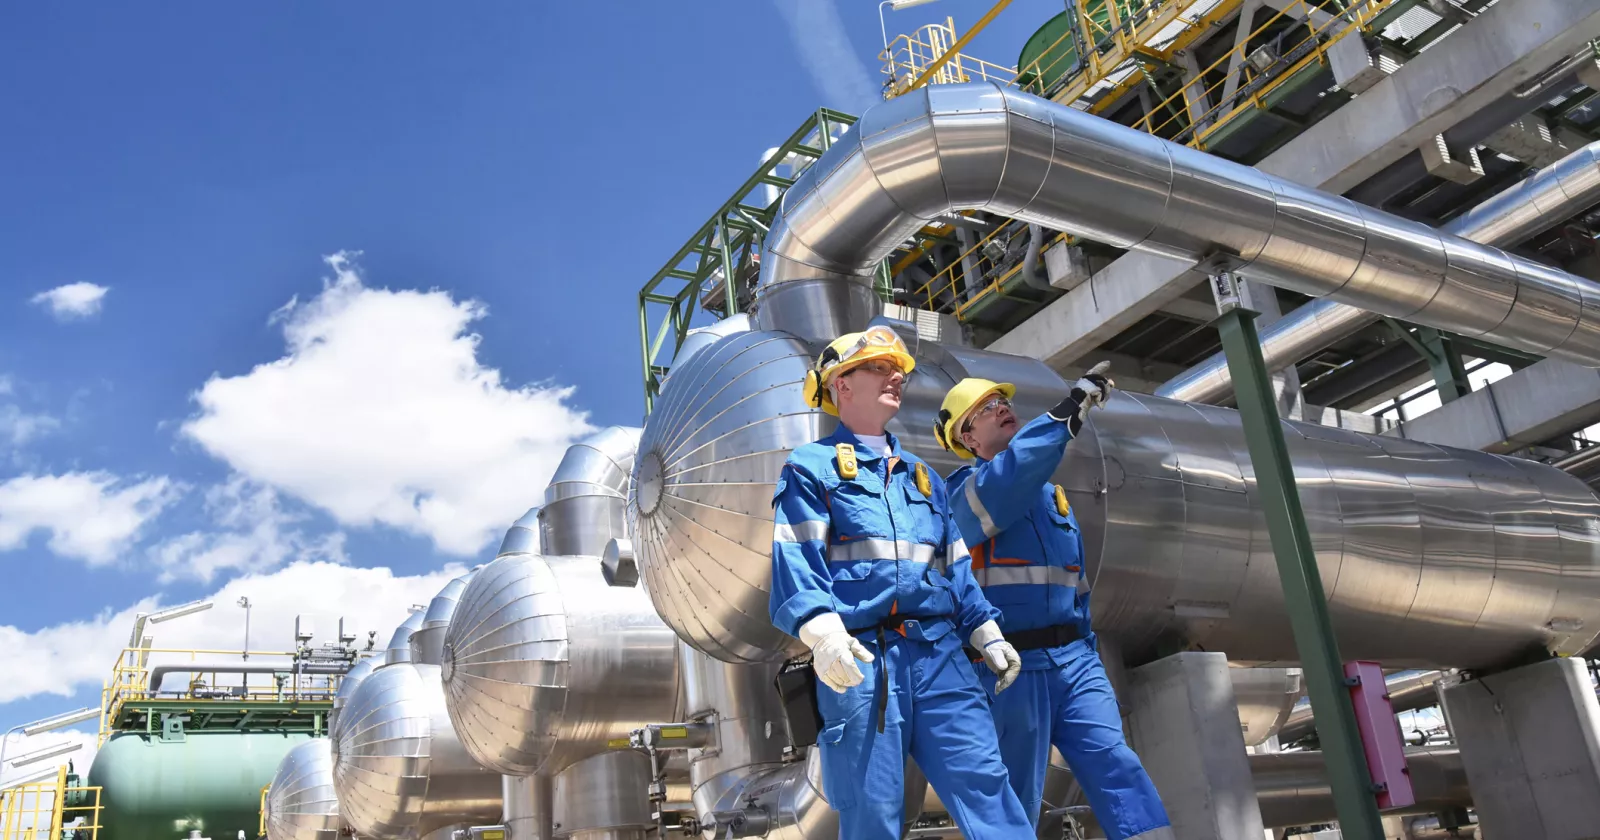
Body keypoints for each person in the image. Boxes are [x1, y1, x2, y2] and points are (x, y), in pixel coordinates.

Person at [768, 324, 1034, 840]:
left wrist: (986, 630)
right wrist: (822, 634)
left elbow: (953, 564)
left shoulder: (922, 477)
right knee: (872, 810)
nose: (896, 378)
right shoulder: (811, 468)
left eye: (899, 371)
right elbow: (796, 558)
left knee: (988, 790)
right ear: (841, 385)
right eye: (879, 368)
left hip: (941, 657)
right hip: (863, 660)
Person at [936, 370, 1174, 840]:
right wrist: (1066, 413)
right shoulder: (962, 494)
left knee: (1115, 762)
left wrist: (1086, 649)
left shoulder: (1053, 499)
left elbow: (1075, 584)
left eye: (1002, 402)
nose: (1002, 408)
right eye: (986, 408)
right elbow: (1013, 476)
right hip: (1007, 667)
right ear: (966, 435)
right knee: (1014, 792)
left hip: (1073, 660)